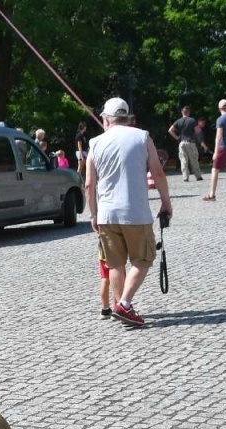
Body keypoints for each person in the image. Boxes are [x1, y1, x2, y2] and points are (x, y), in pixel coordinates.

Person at [86, 97, 171, 327]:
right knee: (143, 259)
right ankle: (124, 304)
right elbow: (158, 174)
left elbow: (89, 184)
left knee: (115, 264)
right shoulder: (142, 137)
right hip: (136, 212)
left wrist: (93, 214)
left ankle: (121, 306)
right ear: (127, 118)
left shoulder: (95, 143)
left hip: (106, 214)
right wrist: (166, 203)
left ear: (106, 119)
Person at [167, 106, 201, 181]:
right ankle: (198, 176)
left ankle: (185, 177)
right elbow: (197, 131)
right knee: (194, 159)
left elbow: (170, 130)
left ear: (182, 112)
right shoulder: (192, 120)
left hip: (182, 142)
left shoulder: (178, 121)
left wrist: (177, 137)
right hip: (191, 142)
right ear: (189, 112)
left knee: (183, 160)